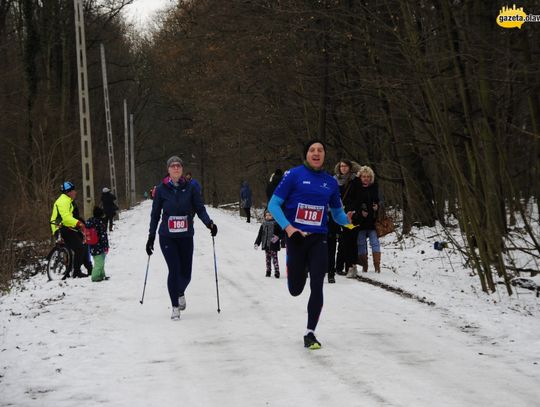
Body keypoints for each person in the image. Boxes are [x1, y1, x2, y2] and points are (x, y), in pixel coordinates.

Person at [268, 140, 352, 350]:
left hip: (319, 238)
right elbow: (273, 205)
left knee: (317, 282)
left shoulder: (330, 183)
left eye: (320, 150)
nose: (316, 153)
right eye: (312, 150)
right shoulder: (294, 175)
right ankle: (298, 268)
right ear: (306, 154)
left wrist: (349, 220)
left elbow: (337, 214)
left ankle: (310, 332)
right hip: (296, 238)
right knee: (295, 289)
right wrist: (290, 229)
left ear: (324, 155)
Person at [146, 156, 218, 320]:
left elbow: (199, 209)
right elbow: (155, 215)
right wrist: (150, 236)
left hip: (186, 236)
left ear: (182, 169)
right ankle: (175, 306)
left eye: (179, 166)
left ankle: (180, 291)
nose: (176, 168)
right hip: (167, 236)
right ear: (168, 170)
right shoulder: (161, 189)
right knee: (174, 269)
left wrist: (209, 224)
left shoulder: (191, 187)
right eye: (173, 166)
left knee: (186, 273)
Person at [50, 181, 88, 278]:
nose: (75, 192)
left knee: (80, 243)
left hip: (65, 226)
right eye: (73, 190)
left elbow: (71, 217)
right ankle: (76, 272)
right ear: (68, 192)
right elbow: (66, 218)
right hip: (61, 228)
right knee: (79, 248)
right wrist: (79, 224)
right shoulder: (63, 201)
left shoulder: (67, 200)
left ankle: (82, 268)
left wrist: (80, 223)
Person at [349, 165, 381, 273]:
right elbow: (352, 203)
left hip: (372, 220)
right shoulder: (356, 188)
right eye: (363, 176)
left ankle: (377, 266)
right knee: (361, 243)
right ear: (360, 177)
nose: (366, 178)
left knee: (375, 242)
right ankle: (365, 265)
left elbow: (378, 200)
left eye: (368, 176)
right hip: (360, 220)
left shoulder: (374, 187)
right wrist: (359, 212)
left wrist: (377, 206)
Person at [333, 159, 361, 278]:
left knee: (351, 240)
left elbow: (358, 197)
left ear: (350, 167)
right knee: (344, 240)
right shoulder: (335, 180)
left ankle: (351, 265)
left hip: (352, 214)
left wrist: (352, 209)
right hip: (338, 214)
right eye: (341, 166)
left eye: (345, 166)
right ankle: (342, 266)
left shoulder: (355, 180)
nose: (343, 168)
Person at [254, 210, 283, 278]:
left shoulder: (276, 224)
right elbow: (260, 235)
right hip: (266, 244)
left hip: (273, 244)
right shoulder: (263, 224)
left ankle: (277, 272)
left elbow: (282, 233)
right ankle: (268, 271)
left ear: (273, 216)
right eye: (266, 215)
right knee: (268, 259)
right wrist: (257, 243)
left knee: (275, 259)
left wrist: (277, 237)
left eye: (269, 215)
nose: (268, 216)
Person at [86, 206, 109, 282]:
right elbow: (103, 236)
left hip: (92, 245)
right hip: (100, 246)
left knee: (100, 261)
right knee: (99, 263)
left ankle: (102, 275)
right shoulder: (100, 223)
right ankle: (95, 277)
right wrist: (106, 246)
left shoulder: (90, 222)